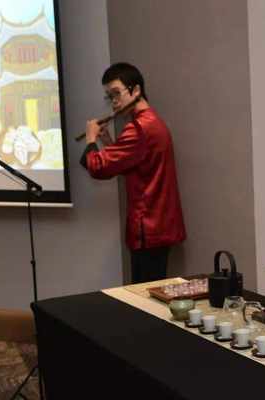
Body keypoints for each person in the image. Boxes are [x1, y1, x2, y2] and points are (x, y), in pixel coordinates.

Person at [80, 62, 186, 284]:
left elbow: (98, 167)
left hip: (148, 226)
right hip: (158, 225)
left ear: (136, 90)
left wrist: (90, 139)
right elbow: (130, 164)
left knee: (144, 297)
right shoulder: (151, 121)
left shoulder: (139, 128)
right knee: (149, 293)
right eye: (109, 97)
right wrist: (107, 141)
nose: (114, 101)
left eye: (116, 93)